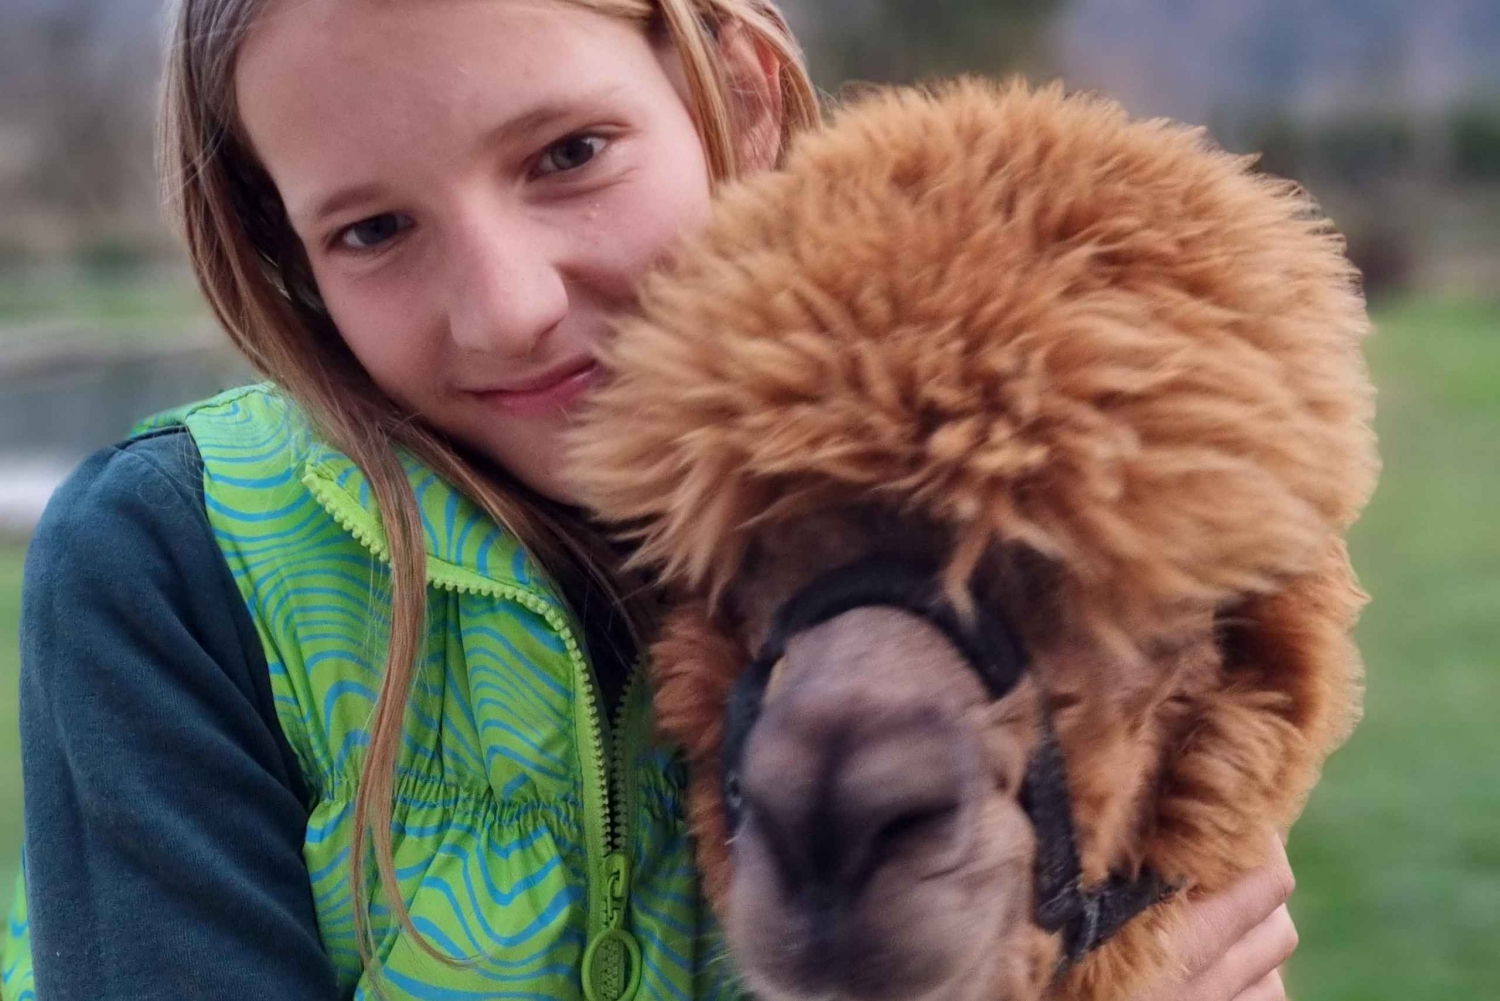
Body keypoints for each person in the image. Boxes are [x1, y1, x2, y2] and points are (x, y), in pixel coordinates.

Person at [0, 1, 1300, 999]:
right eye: (374, 231)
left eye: (567, 154)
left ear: (736, 86)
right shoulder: (178, 564)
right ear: (288, 254)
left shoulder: (940, 514)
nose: (507, 307)